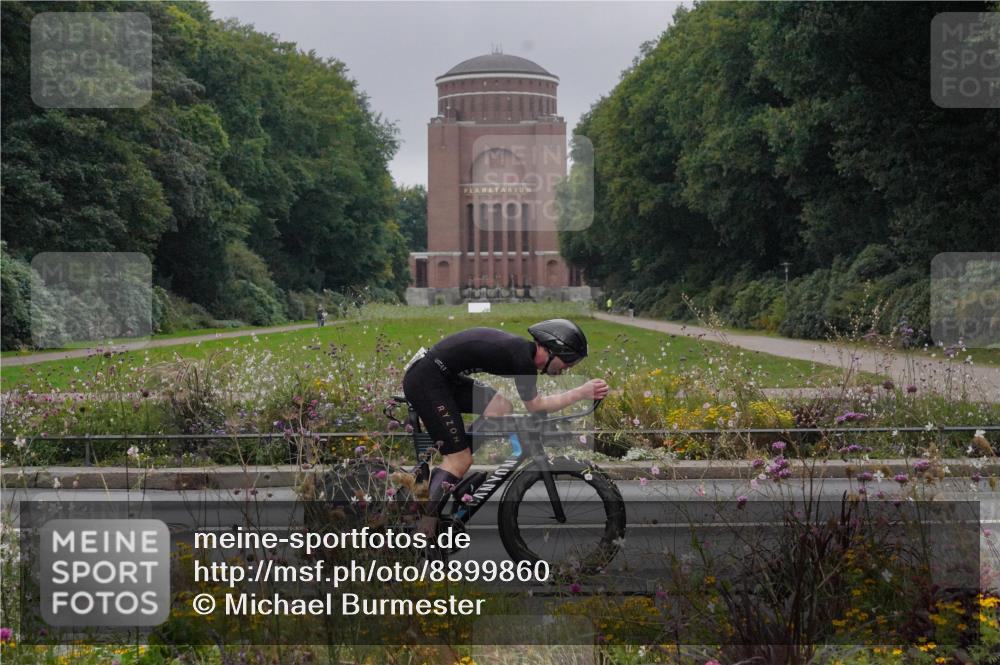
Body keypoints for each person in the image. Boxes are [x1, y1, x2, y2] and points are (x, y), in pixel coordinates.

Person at [402, 319, 609, 537]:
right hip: (427, 380)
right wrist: (580, 393)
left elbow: (532, 409)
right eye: (569, 363)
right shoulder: (522, 359)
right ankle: (423, 534)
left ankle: (450, 470)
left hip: (441, 376)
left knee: (500, 406)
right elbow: (536, 406)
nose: (567, 369)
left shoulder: (522, 353)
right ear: (555, 350)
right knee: (458, 460)